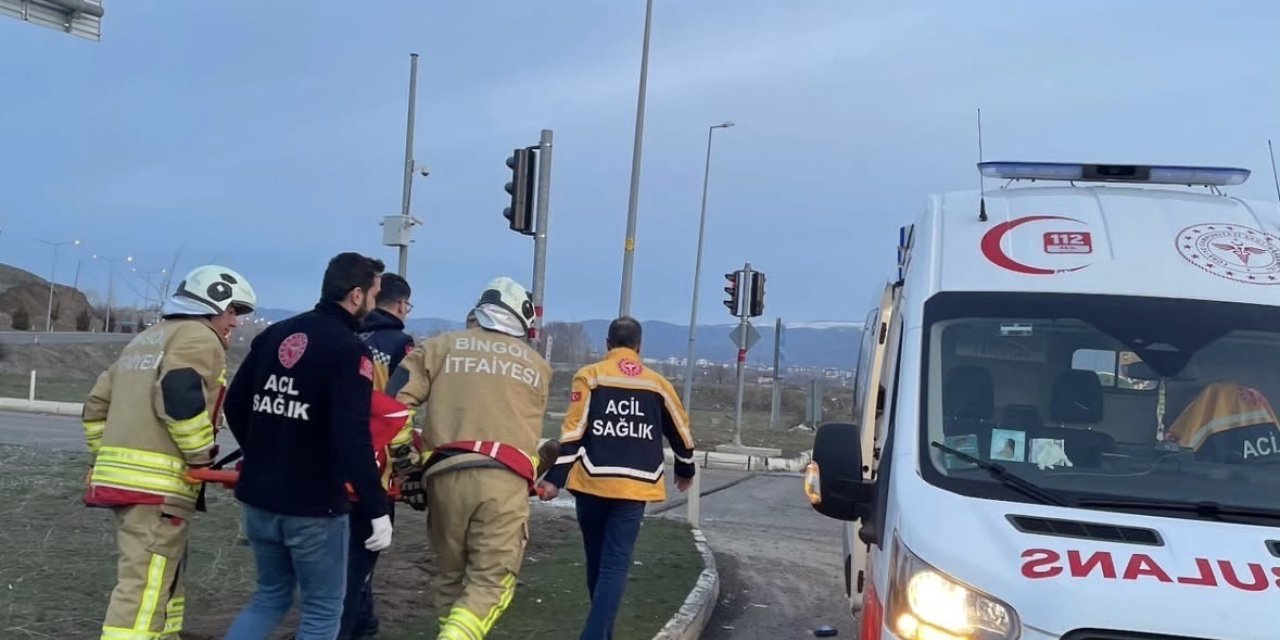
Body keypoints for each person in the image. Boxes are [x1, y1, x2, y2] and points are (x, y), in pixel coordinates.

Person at [222, 252, 393, 640]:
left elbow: (236, 403)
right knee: (322, 610)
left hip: (260, 499)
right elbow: (352, 434)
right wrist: (376, 506)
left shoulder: (276, 334)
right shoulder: (350, 351)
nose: (375, 302)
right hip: (314, 505)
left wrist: (263, 452)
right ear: (355, 296)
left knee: (269, 597)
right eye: (374, 293)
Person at [81, 264, 257, 640]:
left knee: (164, 576)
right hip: (159, 487)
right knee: (144, 585)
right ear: (214, 304)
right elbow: (179, 395)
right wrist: (200, 454)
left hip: (125, 483)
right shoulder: (199, 338)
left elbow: (95, 406)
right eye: (233, 312)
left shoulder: (145, 339)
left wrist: (104, 459)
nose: (236, 323)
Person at [389, 276, 551, 640]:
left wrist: (406, 466)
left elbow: (395, 406)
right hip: (503, 482)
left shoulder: (438, 346)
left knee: (451, 580)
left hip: (444, 477)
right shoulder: (537, 366)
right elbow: (522, 435)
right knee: (491, 583)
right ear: (522, 322)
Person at [539, 316, 697, 640]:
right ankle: (598, 635)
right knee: (614, 566)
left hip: (592, 484)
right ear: (639, 347)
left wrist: (555, 479)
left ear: (607, 345)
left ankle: (595, 635)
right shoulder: (658, 384)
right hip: (634, 487)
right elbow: (681, 432)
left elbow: (573, 433)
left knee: (597, 562)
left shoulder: (590, 376)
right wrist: (685, 469)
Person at [341, 272, 417, 640]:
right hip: (379, 461)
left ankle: (363, 622)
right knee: (364, 551)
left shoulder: (350, 335)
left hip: (338, 455)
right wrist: (406, 464)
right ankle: (354, 625)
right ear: (401, 305)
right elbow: (399, 404)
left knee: (349, 552)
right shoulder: (400, 343)